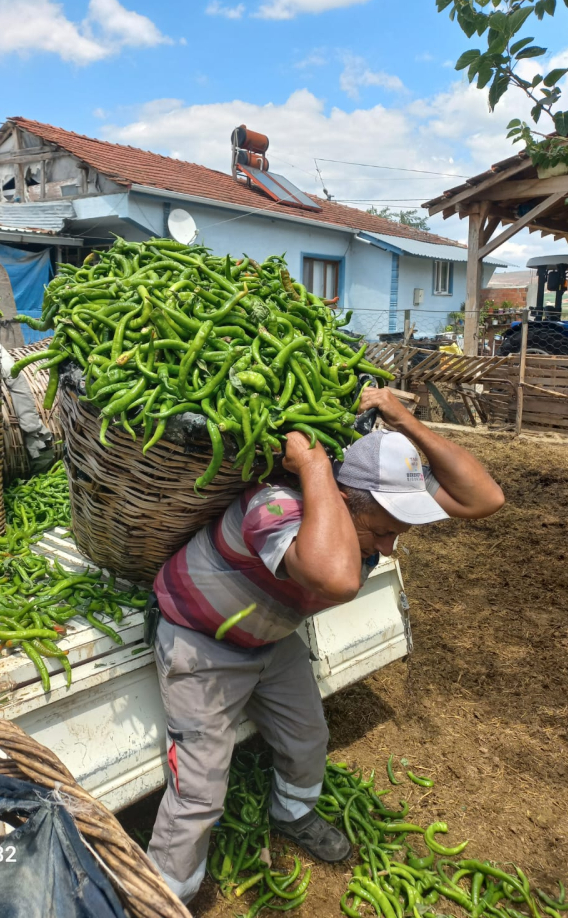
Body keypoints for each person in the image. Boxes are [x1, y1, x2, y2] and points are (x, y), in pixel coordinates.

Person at [146, 387, 504, 903]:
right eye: (382, 532)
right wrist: (314, 463)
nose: (389, 547)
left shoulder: (371, 509)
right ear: (343, 500)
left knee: (308, 737)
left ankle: (292, 812)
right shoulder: (274, 505)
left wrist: (403, 419)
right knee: (199, 786)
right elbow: (336, 579)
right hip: (202, 642)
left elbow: (483, 498)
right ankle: (164, 892)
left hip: (269, 638)